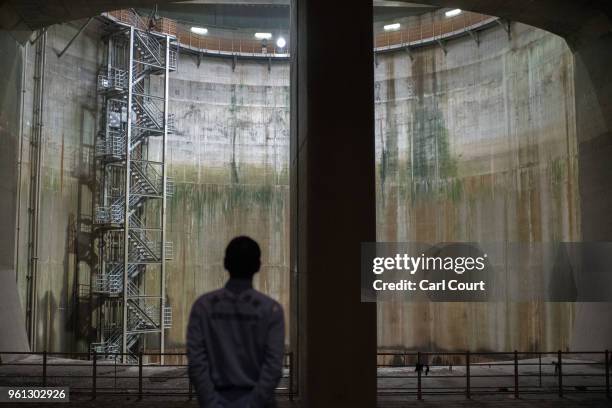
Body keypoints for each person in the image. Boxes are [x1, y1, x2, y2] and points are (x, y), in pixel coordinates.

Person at [187, 236, 285, 408]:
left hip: (216, 398)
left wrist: (211, 403)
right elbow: (273, 367)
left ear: (225, 263)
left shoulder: (203, 306)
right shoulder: (271, 310)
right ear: (258, 266)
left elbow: (197, 363)